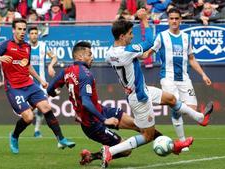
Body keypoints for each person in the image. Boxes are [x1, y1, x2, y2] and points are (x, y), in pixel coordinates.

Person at [47, 41, 189, 166]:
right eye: (89, 54)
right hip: (92, 123)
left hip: (100, 110)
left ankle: (173, 145)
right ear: (79, 57)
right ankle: (92, 156)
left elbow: (49, 89)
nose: (92, 57)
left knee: (140, 126)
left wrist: (54, 93)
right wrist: (104, 120)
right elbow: (85, 102)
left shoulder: (66, 71)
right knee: (126, 150)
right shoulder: (85, 74)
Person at [104, 8, 213, 168]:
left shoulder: (109, 53)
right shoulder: (126, 51)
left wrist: (137, 55)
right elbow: (149, 42)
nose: (132, 36)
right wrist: (144, 20)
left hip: (141, 89)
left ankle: (199, 118)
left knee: (171, 98)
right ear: (122, 36)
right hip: (139, 96)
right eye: (129, 34)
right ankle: (110, 152)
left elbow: (134, 56)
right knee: (147, 136)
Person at [0, 18, 75, 154]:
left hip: (29, 84)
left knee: (46, 107)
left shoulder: (27, 47)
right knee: (28, 117)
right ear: (13, 30)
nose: (22, 32)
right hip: (14, 87)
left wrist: (40, 80)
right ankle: (14, 136)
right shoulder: (5, 45)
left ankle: (61, 139)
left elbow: (28, 66)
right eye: (19, 29)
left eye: (24, 29)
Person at [144, 8, 212, 152]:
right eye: (171, 18)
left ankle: (197, 119)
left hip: (184, 78)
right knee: (175, 104)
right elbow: (149, 52)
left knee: (189, 108)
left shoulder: (186, 37)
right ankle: (183, 141)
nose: (174, 21)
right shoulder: (162, 36)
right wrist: (139, 55)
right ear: (168, 20)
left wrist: (203, 74)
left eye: (176, 18)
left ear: (180, 20)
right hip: (167, 77)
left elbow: (191, 58)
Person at [28, 26, 58, 137]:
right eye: (32, 33)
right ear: (28, 35)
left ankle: (36, 130)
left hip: (41, 83)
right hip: (27, 82)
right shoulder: (25, 47)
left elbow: (54, 57)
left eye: (36, 33)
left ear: (38, 35)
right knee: (29, 110)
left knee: (42, 108)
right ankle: (17, 132)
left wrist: (50, 65)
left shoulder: (43, 46)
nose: (34, 35)